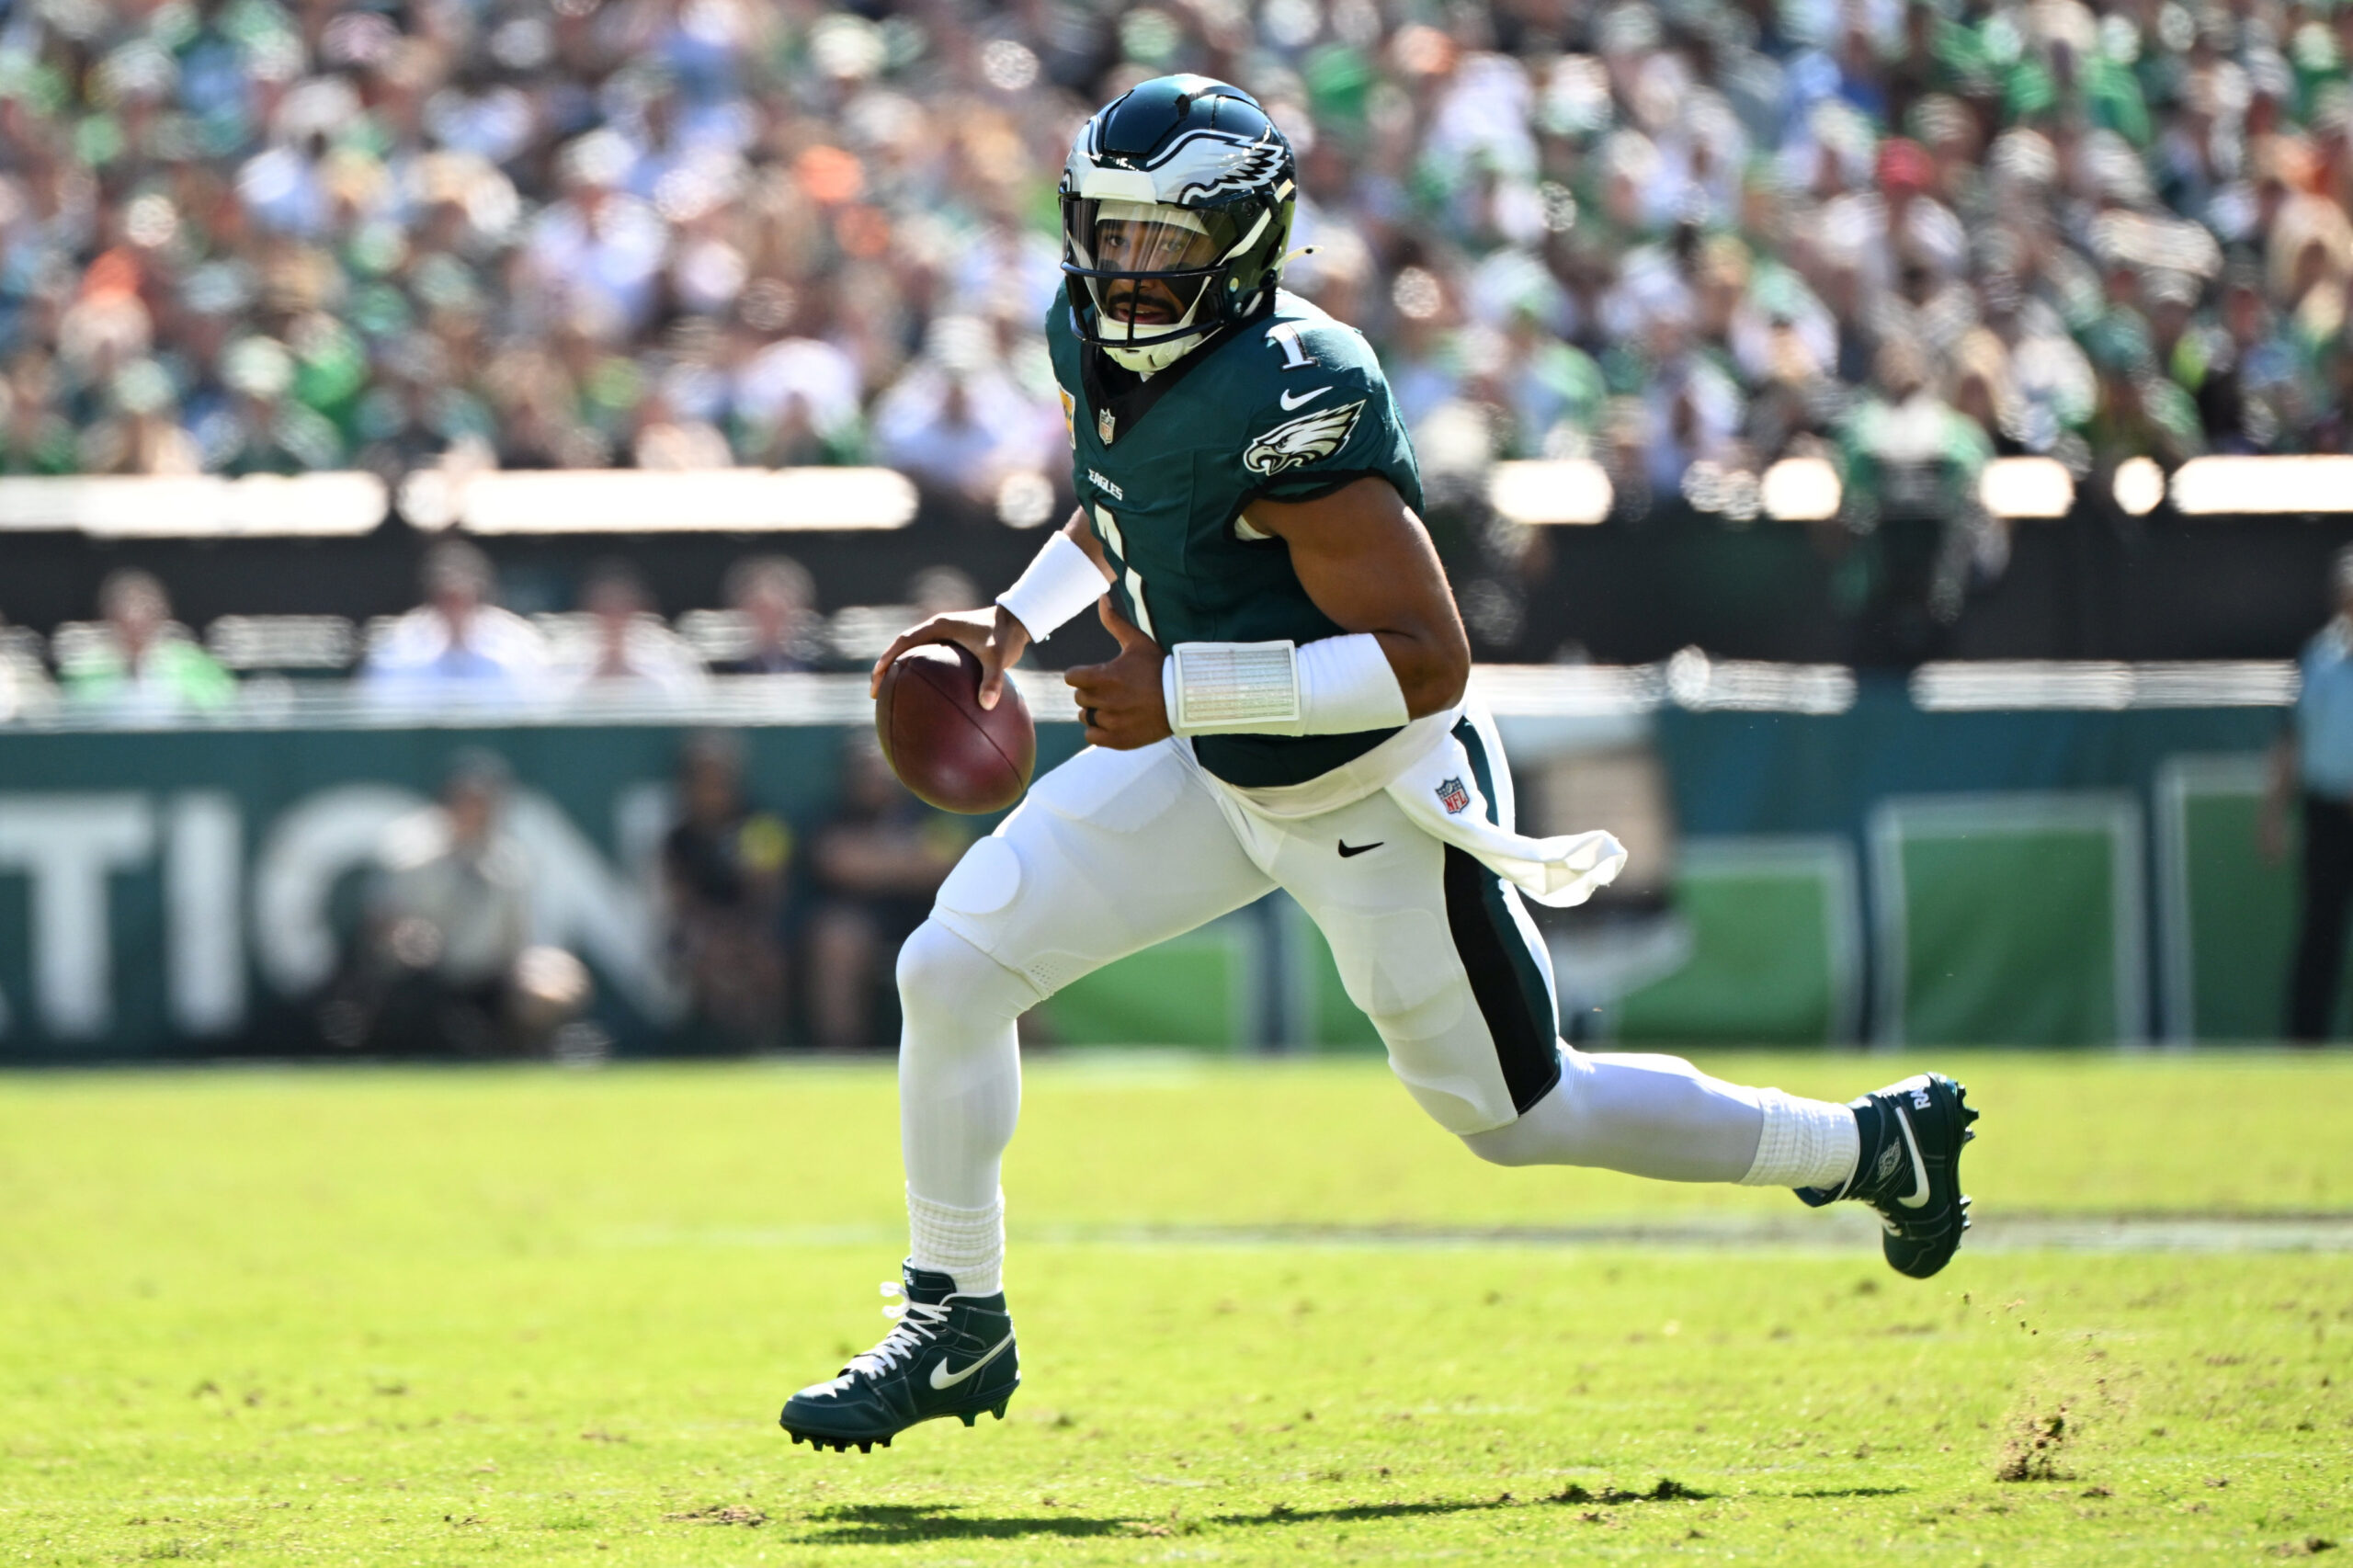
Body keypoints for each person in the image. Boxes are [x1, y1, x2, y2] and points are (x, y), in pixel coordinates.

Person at [777, 77, 1979, 1455]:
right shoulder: (1096, 341)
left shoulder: (1294, 392)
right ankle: (957, 1316)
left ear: (1242, 243)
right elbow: (1126, 506)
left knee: (1524, 1114)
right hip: (1218, 765)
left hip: (1372, 787)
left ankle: (1869, 1146)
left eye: (1163, 242)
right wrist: (1012, 620)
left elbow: (1427, 660)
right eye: (1109, 234)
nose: (1126, 270)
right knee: (951, 966)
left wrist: (1180, 687)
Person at [803, 735, 965, 1050]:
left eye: (884, 768)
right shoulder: (829, 816)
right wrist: (909, 860)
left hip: (923, 919)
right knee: (838, 937)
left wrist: (876, 862)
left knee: (978, 932)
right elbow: (838, 863)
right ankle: (841, 1051)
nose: (876, 778)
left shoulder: (928, 813)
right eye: (866, 770)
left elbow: (949, 860)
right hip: (859, 920)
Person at [2261, 545, 2353, 1040]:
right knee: (2321, 932)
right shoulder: (2317, 659)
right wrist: (2273, 815)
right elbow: (2291, 741)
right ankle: (2305, 1047)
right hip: (2327, 813)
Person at [662, 731, 793, 1052]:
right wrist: (717, 932)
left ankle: (767, 1042)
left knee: (766, 957)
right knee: (706, 953)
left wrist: (743, 931)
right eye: (702, 780)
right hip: (702, 930)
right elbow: (681, 902)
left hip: (755, 926)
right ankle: (714, 1045)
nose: (712, 790)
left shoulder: (760, 827)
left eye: (721, 780)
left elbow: (771, 895)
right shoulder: (678, 838)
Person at [362, 540, 553, 707]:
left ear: (479, 594)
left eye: (462, 598)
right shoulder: (396, 647)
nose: (454, 607)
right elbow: (380, 710)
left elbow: (539, 706)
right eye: (445, 597)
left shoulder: (519, 643)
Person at [63, 568, 237, 720]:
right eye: (124, 611)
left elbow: (222, 714)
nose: (134, 620)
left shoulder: (194, 664)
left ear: (162, 616)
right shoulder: (85, 670)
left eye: (145, 609)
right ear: (109, 617)